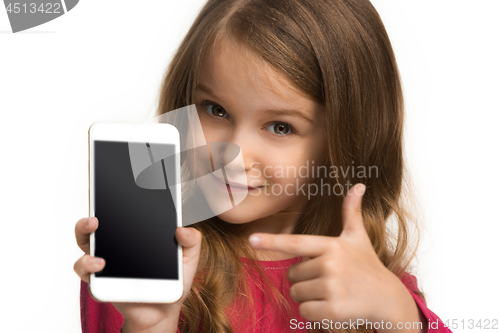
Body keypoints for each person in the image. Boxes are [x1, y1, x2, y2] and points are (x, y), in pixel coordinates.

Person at [74, 0, 453, 332]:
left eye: (280, 127)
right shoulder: (147, 261)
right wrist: (150, 326)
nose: (232, 154)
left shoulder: (369, 282)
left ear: (344, 140)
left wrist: (399, 315)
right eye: (216, 109)